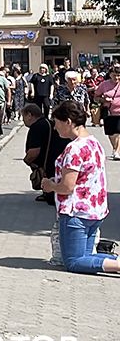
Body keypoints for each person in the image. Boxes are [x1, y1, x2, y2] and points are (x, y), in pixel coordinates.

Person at [40, 101, 120, 274]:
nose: (55, 128)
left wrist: (50, 185)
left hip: (76, 211)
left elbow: (67, 187)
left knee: (74, 261)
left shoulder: (74, 148)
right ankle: (115, 262)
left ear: (68, 122)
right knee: (87, 255)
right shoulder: (94, 143)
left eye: (57, 123)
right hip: (95, 210)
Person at [22, 103, 71, 205]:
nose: (23, 120)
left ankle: (51, 195)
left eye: (24, 116)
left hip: (48, 163)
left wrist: (27, 160)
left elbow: (34, 151)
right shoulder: (47, 123)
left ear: (30, 115)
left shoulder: (36, 127)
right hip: (56, 159)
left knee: (52, 193)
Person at [93, 64, 120, 160]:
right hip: (108, 111)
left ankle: (117, 151)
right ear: (110, 75)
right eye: (114, 75)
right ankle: (115, 149)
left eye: (118, 75)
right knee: (111, 133)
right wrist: (103, 100)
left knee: (118, 131)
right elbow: (95, 98)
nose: (116, 77)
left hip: (119, 112)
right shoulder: (104, 85)